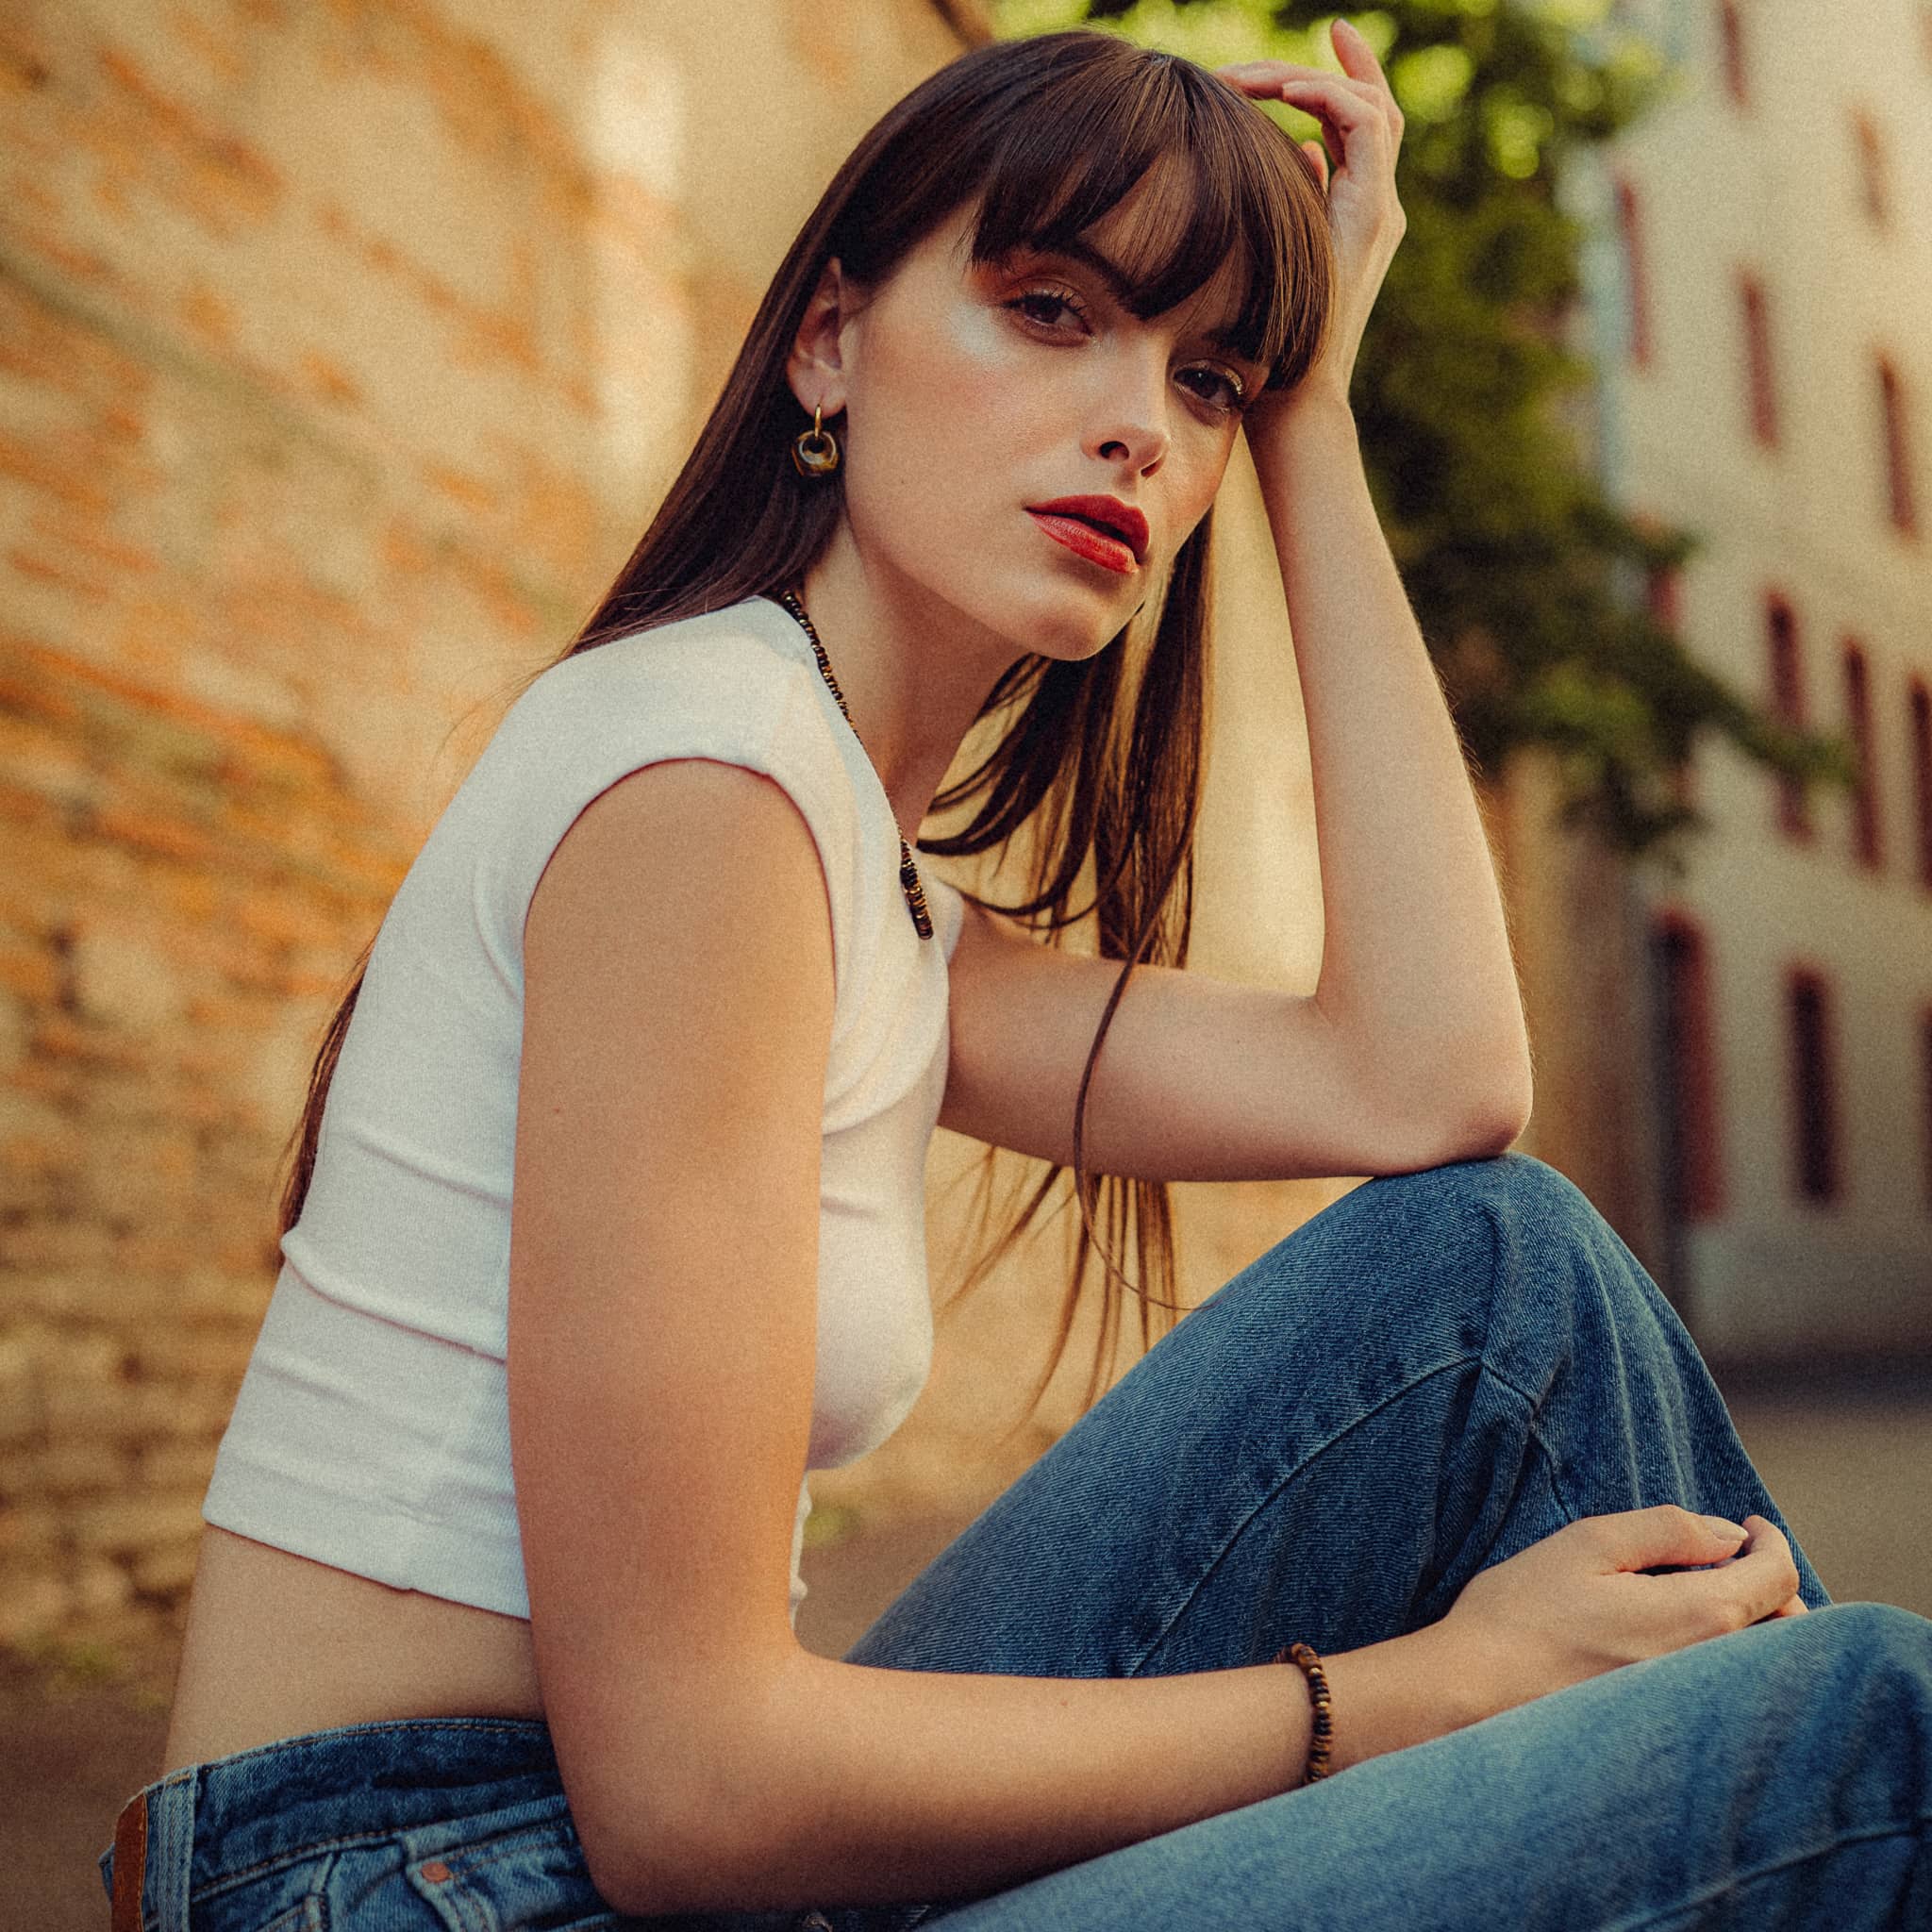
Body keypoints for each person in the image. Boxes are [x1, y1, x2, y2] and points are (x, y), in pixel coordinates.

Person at [101, 22, 1932, 1932]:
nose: (1142, 419)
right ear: (827, 341)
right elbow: (691, 1789)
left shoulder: (870, 889)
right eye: (1052, 310)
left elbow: (1428, 1084)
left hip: (559, 1854)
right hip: (410, 1882)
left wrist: (1311, 401)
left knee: (1494, 1275)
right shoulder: (703, 797)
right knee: (1858, 1751)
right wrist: (1420, 1698)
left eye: (1202, 372)